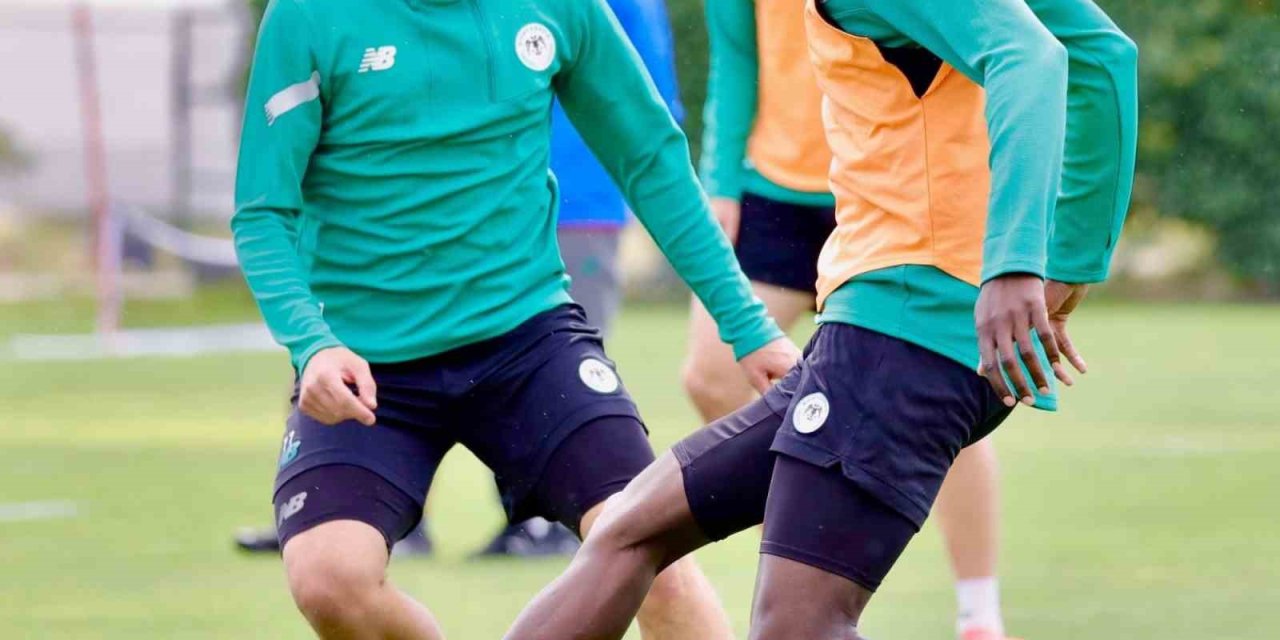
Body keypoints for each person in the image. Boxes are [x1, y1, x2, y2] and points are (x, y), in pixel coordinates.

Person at [504, 0, 1138, 638]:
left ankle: (978, 607)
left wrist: (1017, 266)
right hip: (879, 332)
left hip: (901, 336)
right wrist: (1070, 266)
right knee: (627, 531)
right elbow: (1104, 56)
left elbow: (1031, 57)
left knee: (797, 625)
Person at [232, 0, 799, 636]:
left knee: (652, 552)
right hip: (366, 361)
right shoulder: (309, 15)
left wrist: (749, 327)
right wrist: (312, 345)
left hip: (527, 339)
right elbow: (262, 212)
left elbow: (650, 157)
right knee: (329, 580)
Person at [682, 0, 1018, 636]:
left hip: (901, 190)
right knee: (710, 370)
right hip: (777, 190)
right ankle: (815, 551)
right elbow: (736, 58)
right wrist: (720, 181)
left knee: (944, 391)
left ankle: (979, 616)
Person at [474, 0, 685, 558]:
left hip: (583, 201)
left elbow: (654, 96)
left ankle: (548, 521)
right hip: (503, 197)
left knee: (565, 361)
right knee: (489, 352)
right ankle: (504, 520)